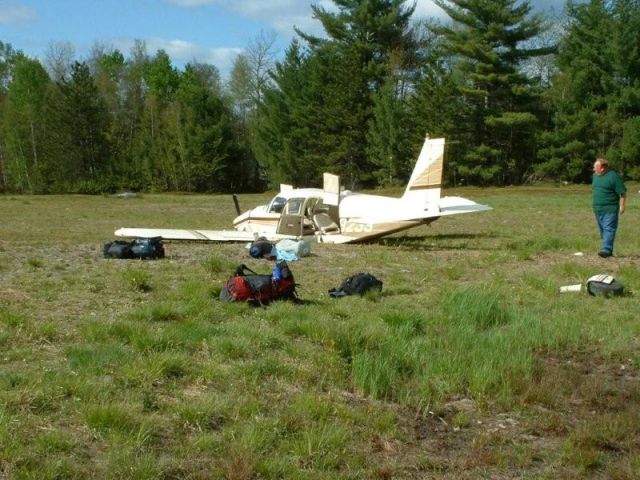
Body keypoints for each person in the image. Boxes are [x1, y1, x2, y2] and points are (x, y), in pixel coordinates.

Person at [592, 158, 626, 258]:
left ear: (602, 168)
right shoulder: (595, 176)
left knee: (609, 228)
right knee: (603, 230)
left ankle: (606, 249)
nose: (593, 169)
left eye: (595, 167)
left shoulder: (613, 177)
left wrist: (622, 206)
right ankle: (607, 250)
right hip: (597, 209)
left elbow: (622, 193)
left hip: (610, 208)